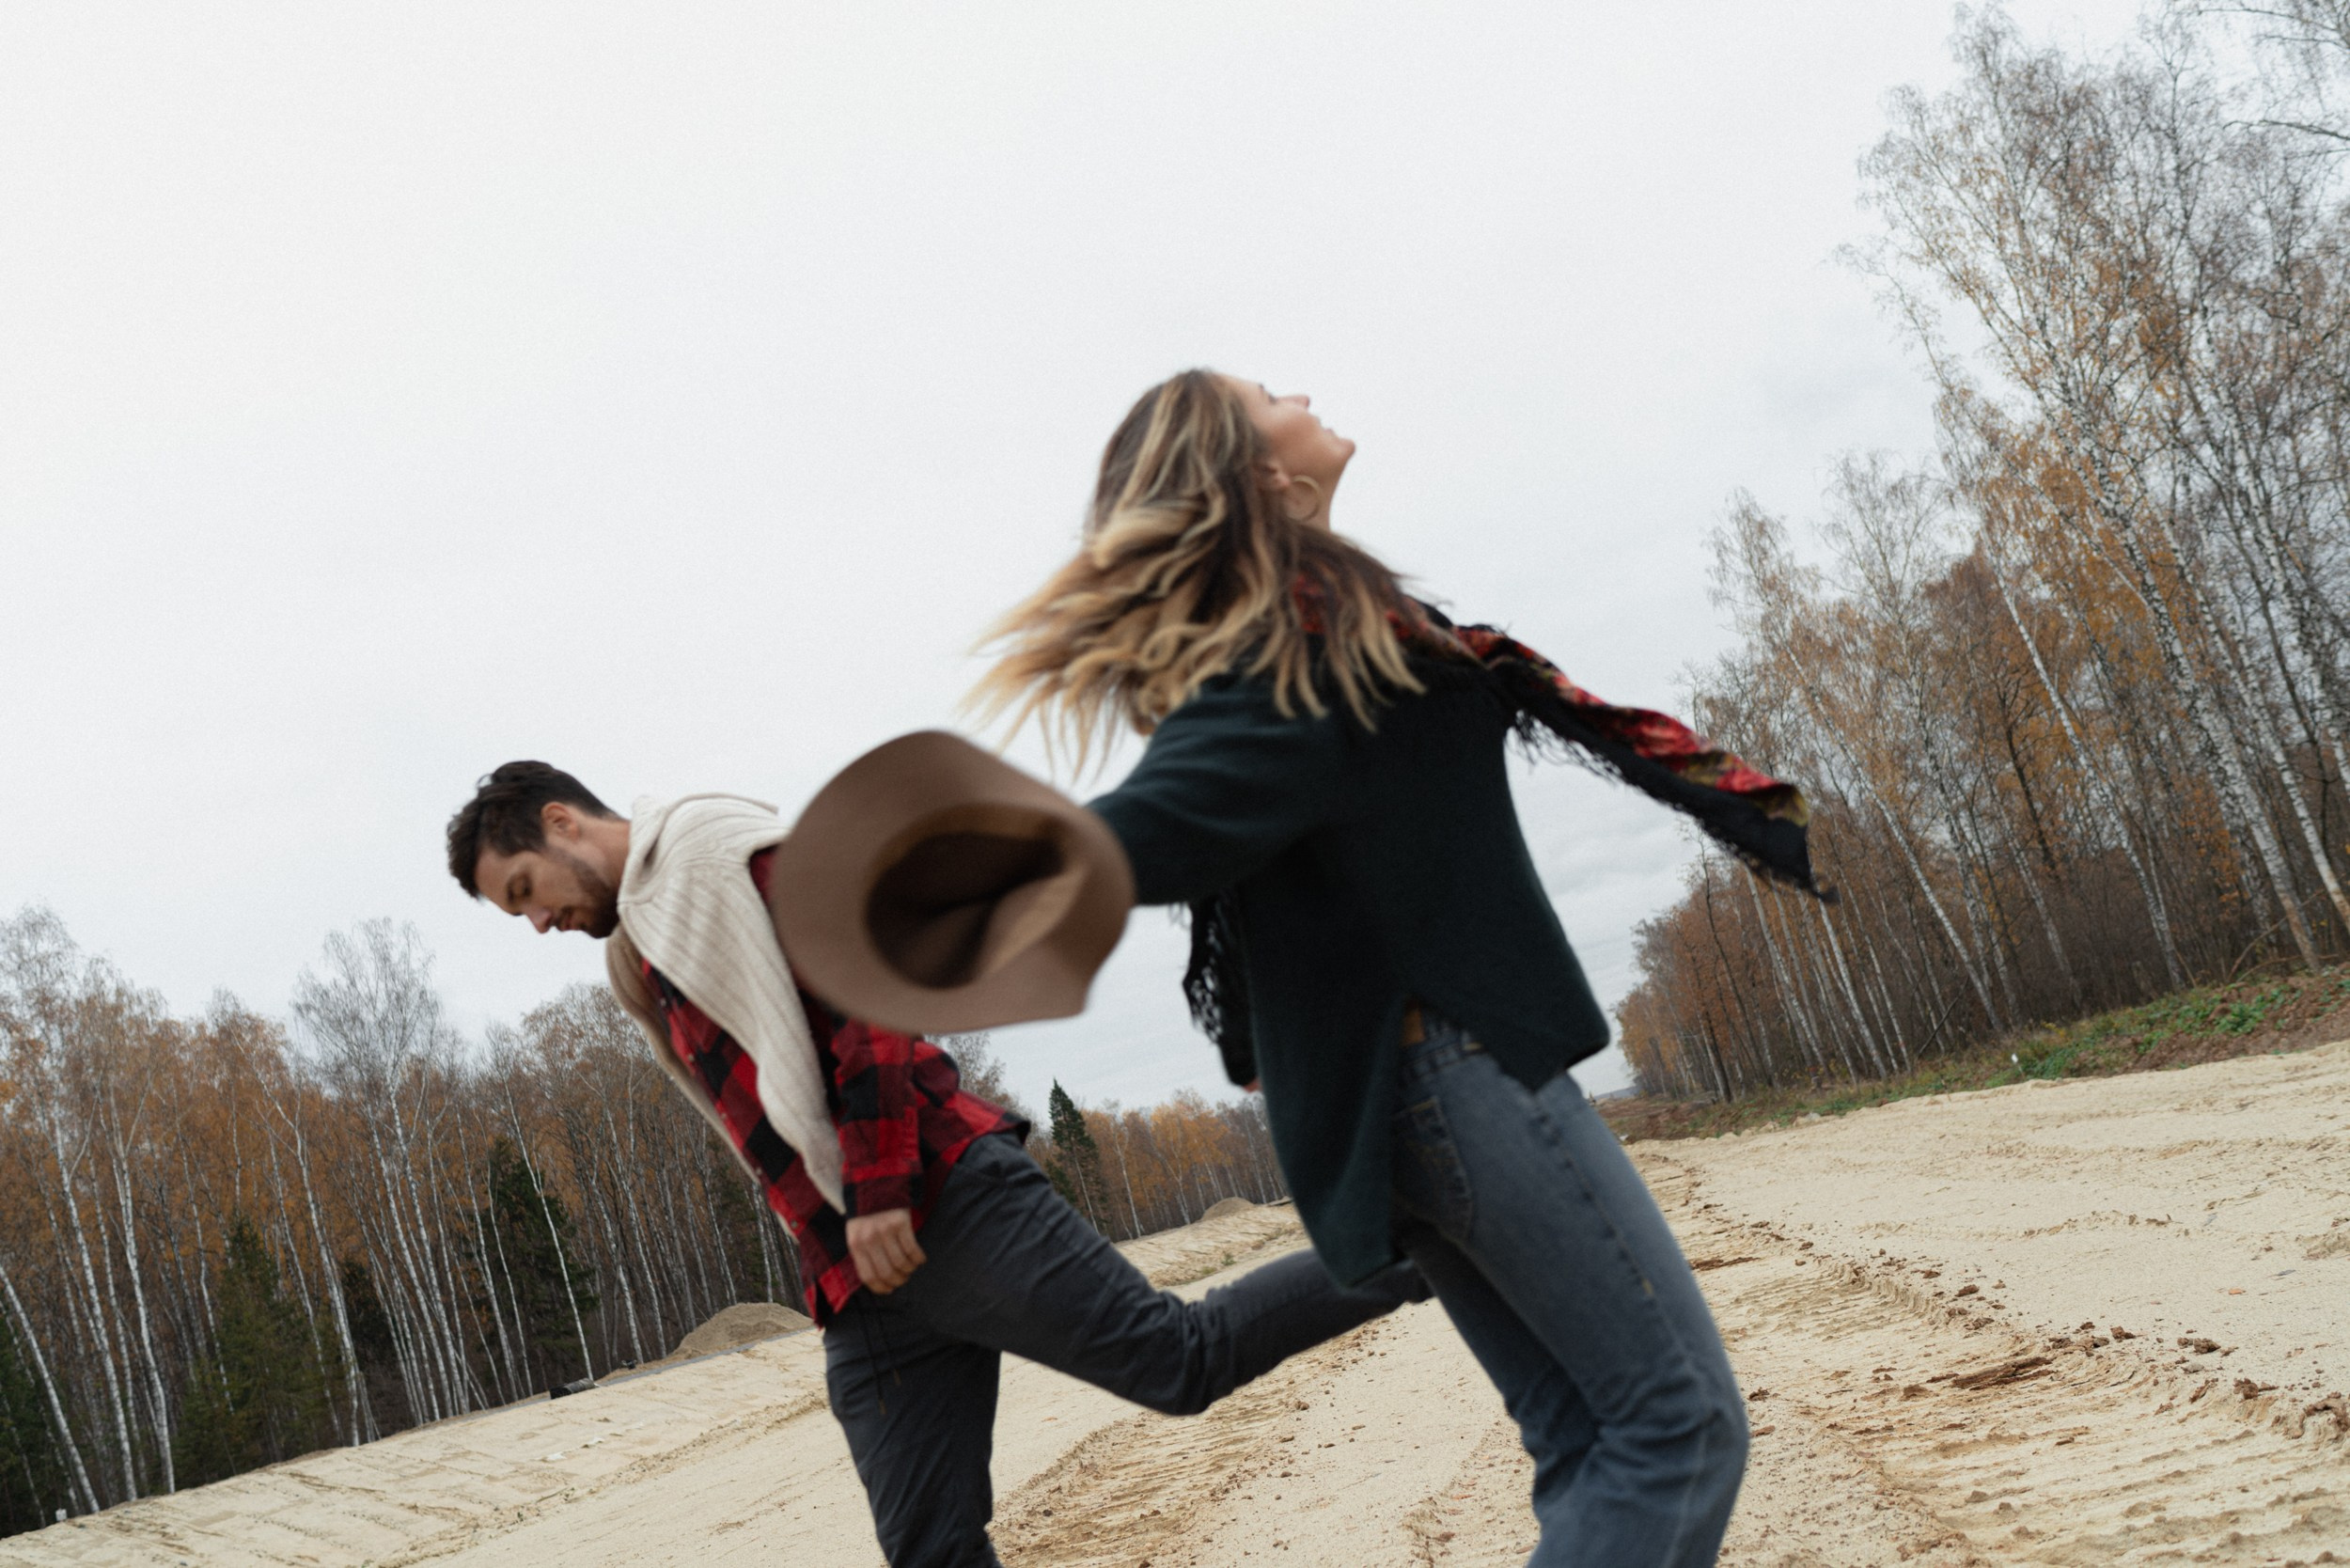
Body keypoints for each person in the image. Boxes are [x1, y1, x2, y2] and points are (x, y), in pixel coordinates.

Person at [962, 370, 1825, 1566]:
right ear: (1257, 471)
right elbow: (1167, 815)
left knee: (1583, 1439)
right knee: (1675, 1428)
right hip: (1454, 1076)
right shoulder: (1295, 635)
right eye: (1268, 392)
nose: (1300, 388)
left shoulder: (1303, 622)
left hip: (1409, 1093)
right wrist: (1012, 872)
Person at [444, 763, 1422, 1568]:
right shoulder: (638, 952)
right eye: (514, 914)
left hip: (938, 1196)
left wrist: (878, 1191)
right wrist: (840, 1232)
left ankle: (1425, 1242)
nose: (537, 922)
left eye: (526, 891)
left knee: (1178, 1359)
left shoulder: (718, 848)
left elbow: (865, 993)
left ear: (563, 821)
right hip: (855, 1277)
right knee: (929, 1550)